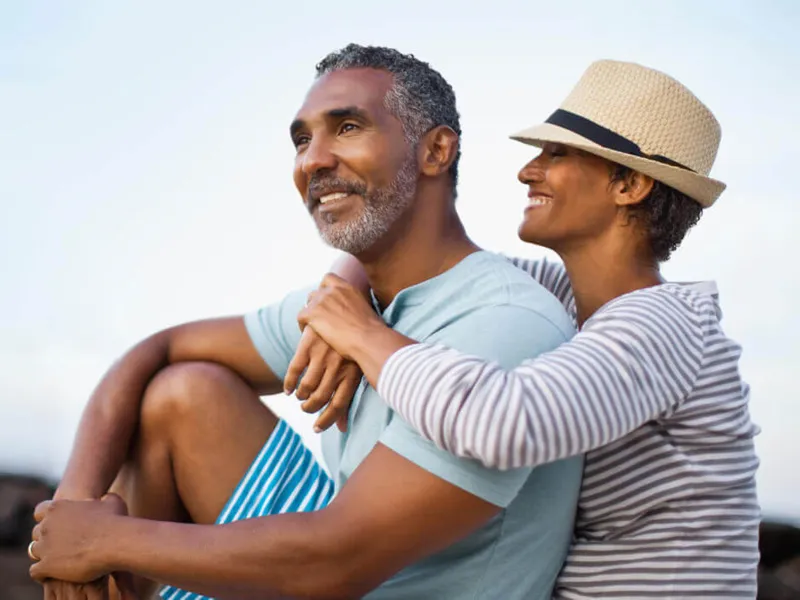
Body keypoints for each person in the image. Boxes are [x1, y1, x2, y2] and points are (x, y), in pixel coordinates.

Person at [29, 44, 583, 600]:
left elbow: (336, 562)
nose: (312, 161)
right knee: (184, 394)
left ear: (435, 151)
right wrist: (73, 508)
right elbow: (159, 349)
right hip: (332, 564)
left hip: (341, 569)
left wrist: (105, 540)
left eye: (346, 128)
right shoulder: (343, 309)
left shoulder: (503, 325)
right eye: (302, 139)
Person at [293, 60, 761, 598]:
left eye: (556, 154)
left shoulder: (667, 323)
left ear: (629, 185)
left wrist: (361, 334)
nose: (527, 171)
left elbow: (503, 425)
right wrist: (346, 285)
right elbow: (407, 261)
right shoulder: (559, 293)